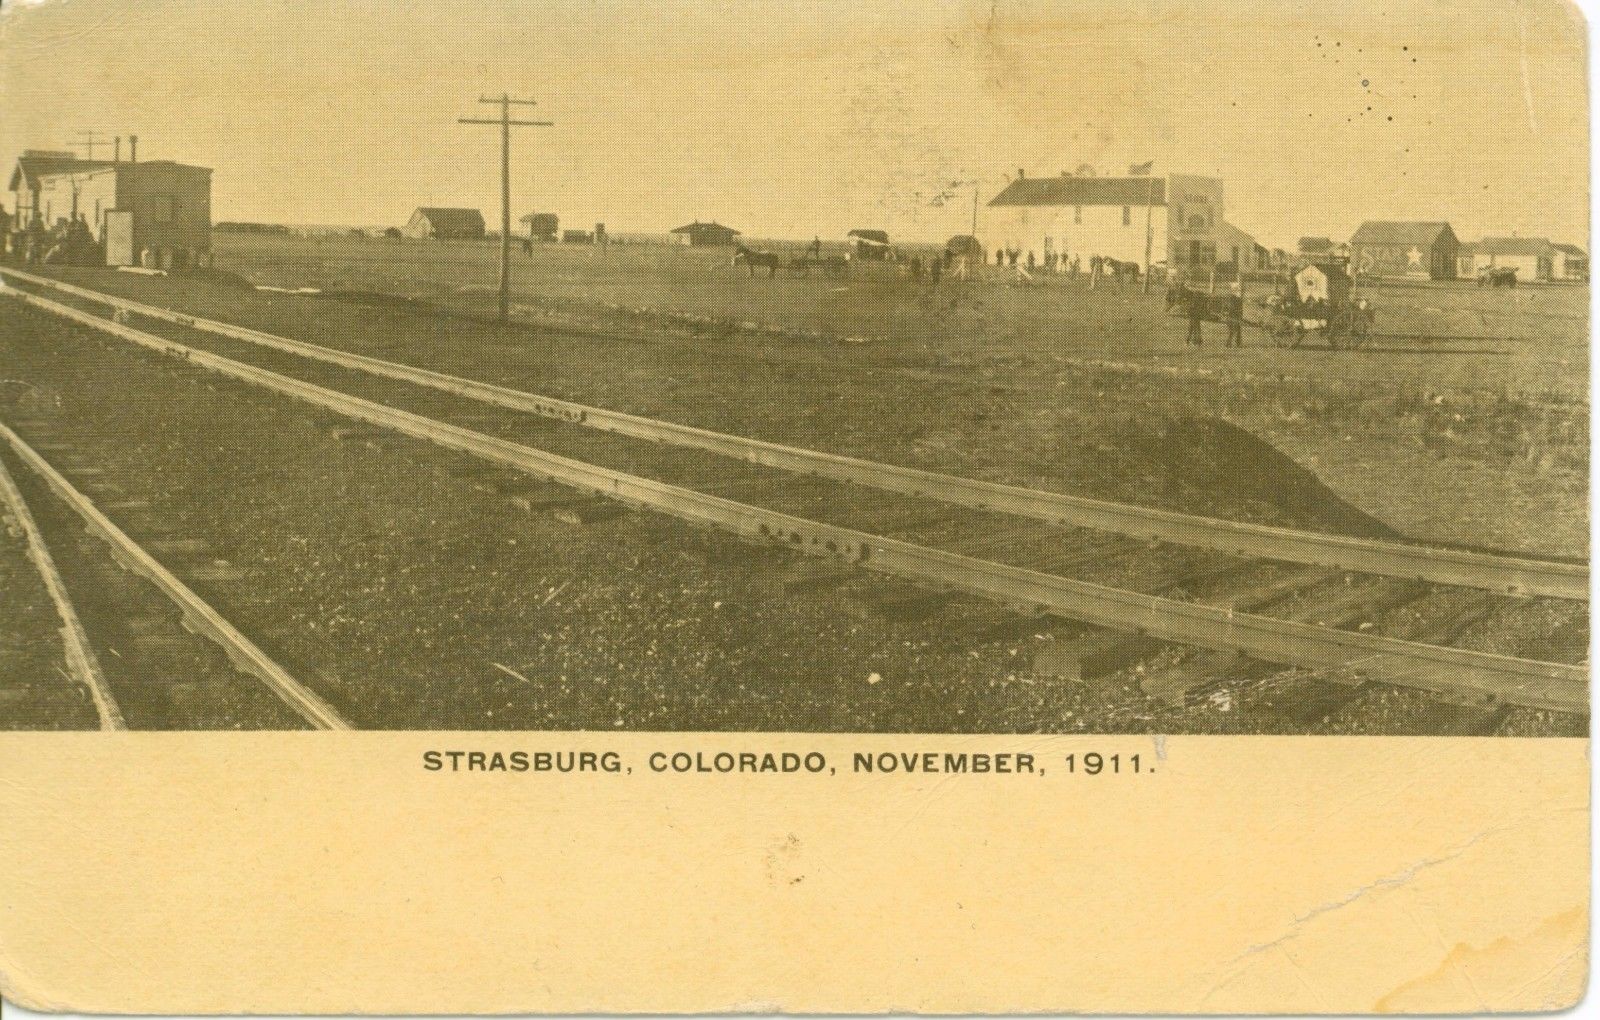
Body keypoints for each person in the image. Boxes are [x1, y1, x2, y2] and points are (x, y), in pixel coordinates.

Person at [1225, 283, 1244, 348]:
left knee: (1236, 329)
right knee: (1233, 330)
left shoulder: (1235, 298)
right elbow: (1232, 308)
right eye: (1237, 290)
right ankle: (1230, 343)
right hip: (1232, 317)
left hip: (1233, 317)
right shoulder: (1233, 298)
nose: (1239, 292)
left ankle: (1236, 343)